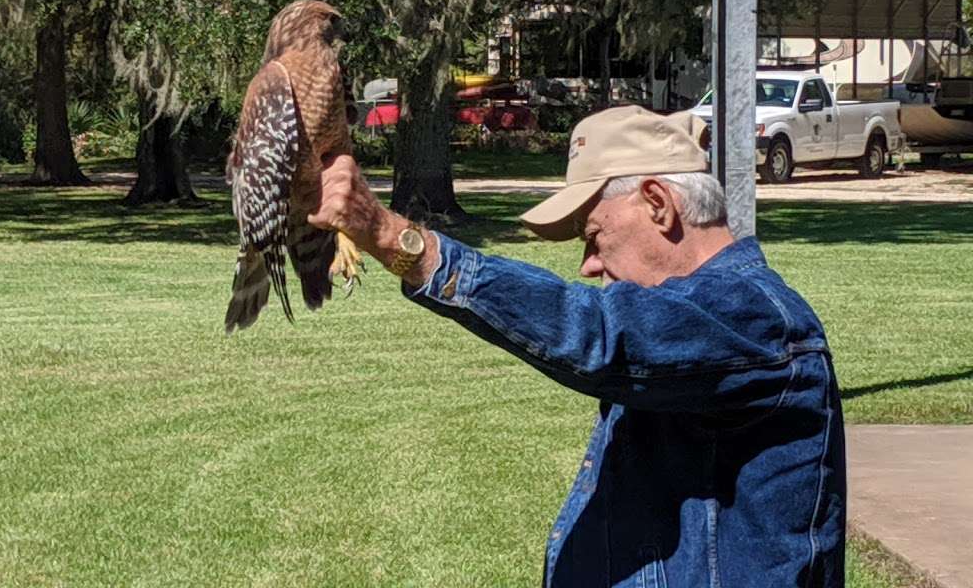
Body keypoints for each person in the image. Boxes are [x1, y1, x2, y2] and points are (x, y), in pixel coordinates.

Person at [307, 106, 846, 587]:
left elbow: (596, 335)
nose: (589, 264)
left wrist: (396, 240)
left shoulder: (751, 317)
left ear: (658, 204)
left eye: (594, 236)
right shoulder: (696, 315)